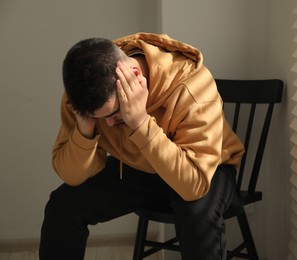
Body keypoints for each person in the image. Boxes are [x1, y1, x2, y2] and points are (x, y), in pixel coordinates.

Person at [39, 32, 244, 260]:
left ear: (134, 76)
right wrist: (85, 130)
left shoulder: (192, 86)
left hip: (207, 168)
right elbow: (72, 175)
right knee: (63, 206)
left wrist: (139, 122)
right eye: (98, 117)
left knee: (196, 212)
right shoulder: (85, 92)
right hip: (142, 166)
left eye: (114, 113)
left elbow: (193, 185)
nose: (108, 123)